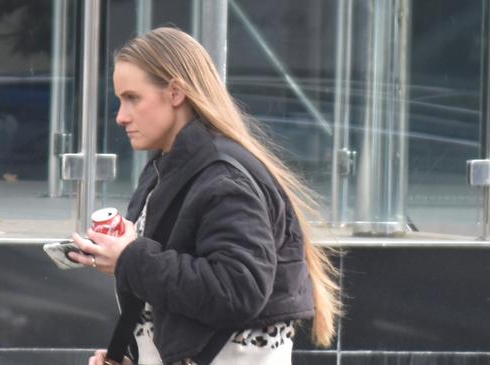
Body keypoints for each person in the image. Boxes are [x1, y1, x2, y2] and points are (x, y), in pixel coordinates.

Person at [68, 27, 341, 365]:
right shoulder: (167, 169)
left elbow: (238, 291)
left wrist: (129, 259)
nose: (121, 116)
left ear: (176, 92)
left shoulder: (224, 179)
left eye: (132, 98)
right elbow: (177, 305)